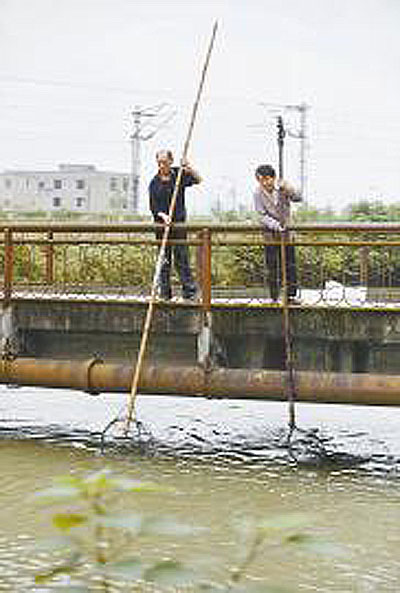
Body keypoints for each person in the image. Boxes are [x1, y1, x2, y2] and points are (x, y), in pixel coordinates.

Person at [149, 149, 202, 300]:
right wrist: (162, 215)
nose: (161, 166)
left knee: (182, 258)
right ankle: (164, 293)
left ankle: (189, 292)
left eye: (164, 162)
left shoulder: (178, 175)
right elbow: (153, 206)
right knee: (164, 260)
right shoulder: (154, 182)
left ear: (171, 162)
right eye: (159, 163)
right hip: (161, 226)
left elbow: (198, 179)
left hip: (178, 224)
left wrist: (188, 167)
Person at [253, 164, 302, 302]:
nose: (264, 183)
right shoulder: (257, 193)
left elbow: (298, 197)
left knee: (290, 265)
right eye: (260, 180)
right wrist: (275, 225)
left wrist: (288, 187)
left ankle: (291, 296)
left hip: (287, 234)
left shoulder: (282, 188)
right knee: (272, 266)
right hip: (270, 235)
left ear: (273, 178)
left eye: (267, 179)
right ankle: (274, 297)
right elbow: (261, 214)